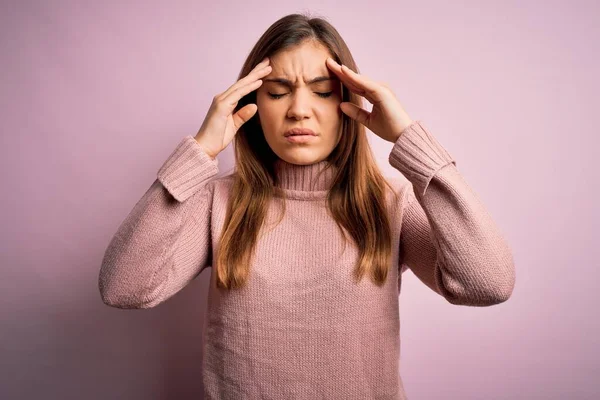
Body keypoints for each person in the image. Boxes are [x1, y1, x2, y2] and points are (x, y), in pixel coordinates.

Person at [98, 12, 516, 400]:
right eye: (278, 92)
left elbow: (489, 283)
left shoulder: (389, 202)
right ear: (252, 105)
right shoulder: (218, 201)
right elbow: (125, 288)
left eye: (321, 92)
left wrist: (408, 139)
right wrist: (199, 152)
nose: (299, 110)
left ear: (349, 102)